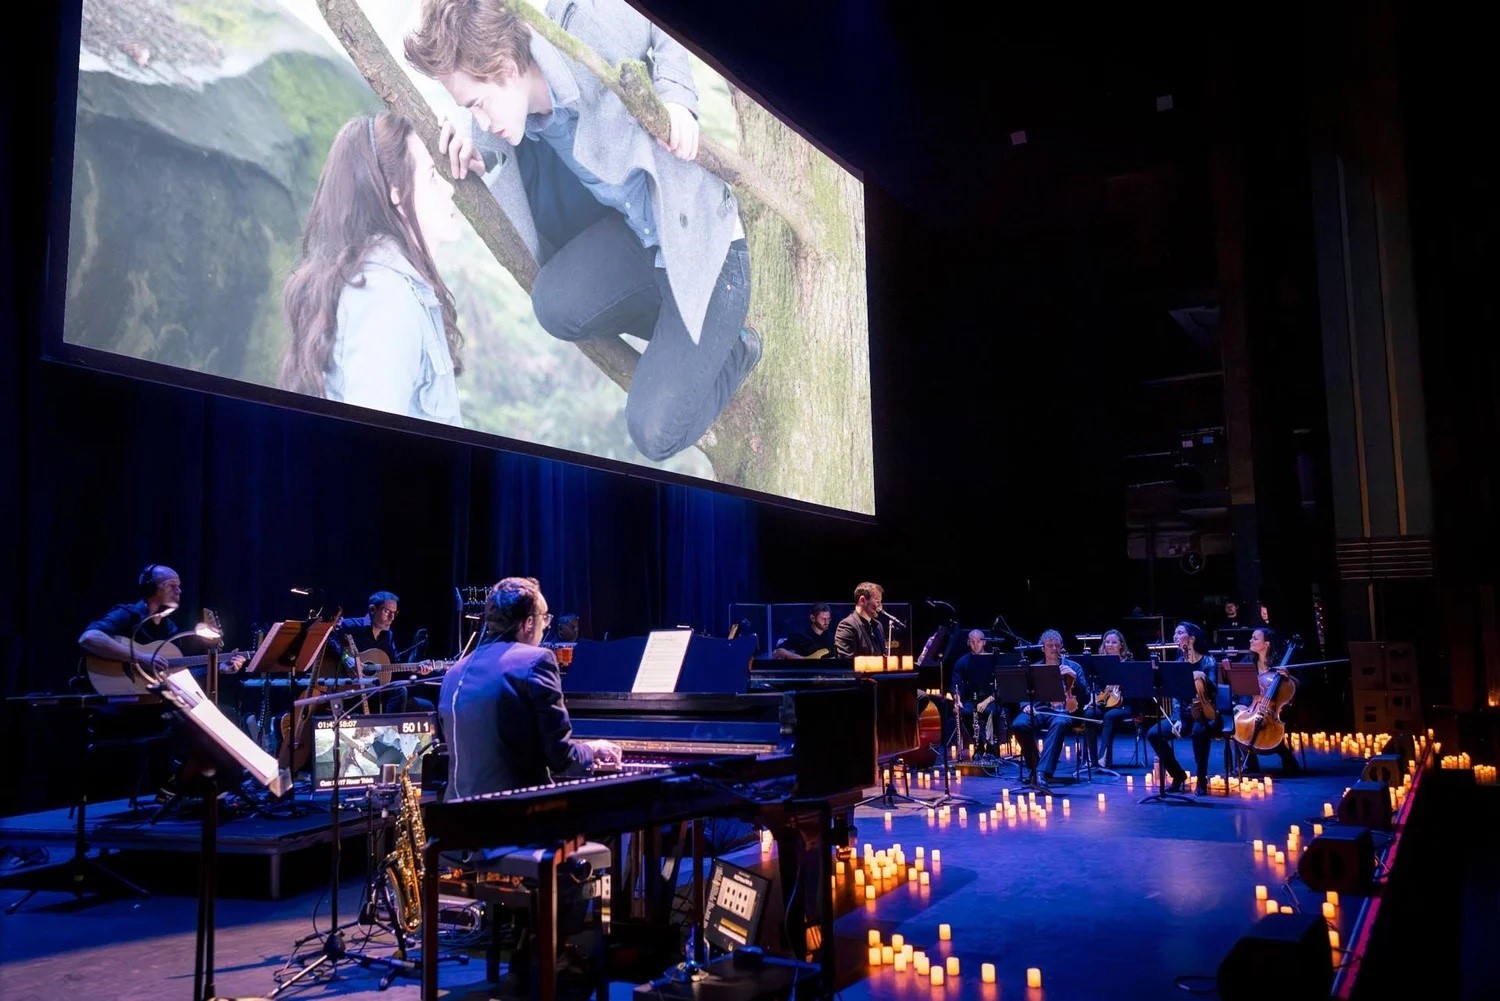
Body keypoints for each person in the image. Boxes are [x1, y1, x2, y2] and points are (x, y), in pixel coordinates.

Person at [405, 0, 761, 461]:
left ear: (506, 65)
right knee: (554, 305)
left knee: (655, 434)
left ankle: (735, 348)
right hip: (640, 245)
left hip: (707, 252)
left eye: (478, 104)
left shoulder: (585, 34)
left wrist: (677, 98)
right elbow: (495, 156)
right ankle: (684, 346)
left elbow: (659, 24)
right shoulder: (501, 121)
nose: (481, 120)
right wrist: (471, 153)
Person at [280, 111, 465, 425]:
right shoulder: (386, 298)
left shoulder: (389, 287)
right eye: (433, 176)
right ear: (396, 192)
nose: (449, 190)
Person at [437, 576, 621, 799]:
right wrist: (592, 749)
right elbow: (561, 758)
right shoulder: (536, 660)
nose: (545, 626)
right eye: (545, 618)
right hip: (517, 813)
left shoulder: (453, 673)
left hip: (458, 814)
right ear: (529, 623)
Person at [1146, 621, 1222, 795]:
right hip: (1184, 714)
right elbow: (1176, 694)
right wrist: (1177, 718)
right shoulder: (1179, 662)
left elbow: (1214, 691)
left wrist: (1204, 678)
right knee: (1153, 734)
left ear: (1192, 638)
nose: (1175, 636)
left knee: (1199, 732)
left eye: (1180, 633)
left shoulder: (1208, 660)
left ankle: (1201, 779)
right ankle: (1178, 775)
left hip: (1205, 713)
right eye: (1175, 633)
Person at [1009, 630, 1086, 788]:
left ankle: (1041, 773)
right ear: (1042, 648)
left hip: (1064, 711)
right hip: (1039, 709)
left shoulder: (1074, 667)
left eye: (1057, 645)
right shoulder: (1035, 668)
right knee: (1019, 724)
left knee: (1060, 723)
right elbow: (1025, 691)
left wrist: (1075, 679)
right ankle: (1035, 766)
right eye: (1050, 645)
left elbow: (1085, 695)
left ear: (1061, 647)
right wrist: (1025, 705)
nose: (1054, 648)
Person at [1237, 626, 1302, 776]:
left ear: (1267, 644)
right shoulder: (1248, 661)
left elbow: (1297, 684)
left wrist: (1289, 677)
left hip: (1276, 709)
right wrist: (1241, 704)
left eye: (1255, 638)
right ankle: (1251, 763)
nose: (1250, 640)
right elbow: (1240, 686)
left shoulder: (1281, 662)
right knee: (1237, 720)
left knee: (1266, 725)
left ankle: (1287, 757)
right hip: (1252, 705)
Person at [1083, 628, 1136, 768]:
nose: (1110, 645)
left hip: (1127, 703)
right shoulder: (1100, 664)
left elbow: (1136, 688)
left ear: (1121, 645)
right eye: (1107, 642)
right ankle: (1091, 759)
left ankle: (1103, 758)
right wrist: (1093, 698)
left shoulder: (1129, 663)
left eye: (1114, 642)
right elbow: (1095, 685)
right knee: (1089, 714)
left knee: (1109, 716)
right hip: (1106, 701)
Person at [951, 630, 997, 755]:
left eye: (979, 641)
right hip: (970, 699)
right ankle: (979, 746)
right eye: (972, 642)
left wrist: (986, 702)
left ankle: (992, 748)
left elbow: (1000, 685)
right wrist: (957, 699)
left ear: (984, 642)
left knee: (993, 712)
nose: (976, 645)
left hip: (990, 699)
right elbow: (956, 684)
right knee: (965, 712)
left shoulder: (993, 659)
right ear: (968, 642)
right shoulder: (962, 662)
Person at [833, 583, 886, 658]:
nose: (880, 607)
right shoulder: (847, 626)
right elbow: (847, 662)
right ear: (862, 600)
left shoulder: (878, 626)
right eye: (877, 601)